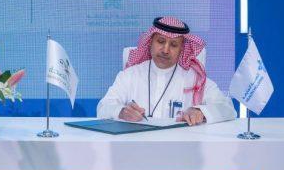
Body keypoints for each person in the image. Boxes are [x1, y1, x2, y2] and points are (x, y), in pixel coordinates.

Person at [97, 16, 235, 125]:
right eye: (161, 41)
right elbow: (103, 107)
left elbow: (227, 108)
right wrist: (121, 111)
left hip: (180, 149)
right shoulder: (130, 75)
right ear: (150, 42)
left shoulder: (195, 79)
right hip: (136, 147)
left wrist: (200, 111)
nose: (165, 50)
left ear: (181, 49)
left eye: (174, 45)